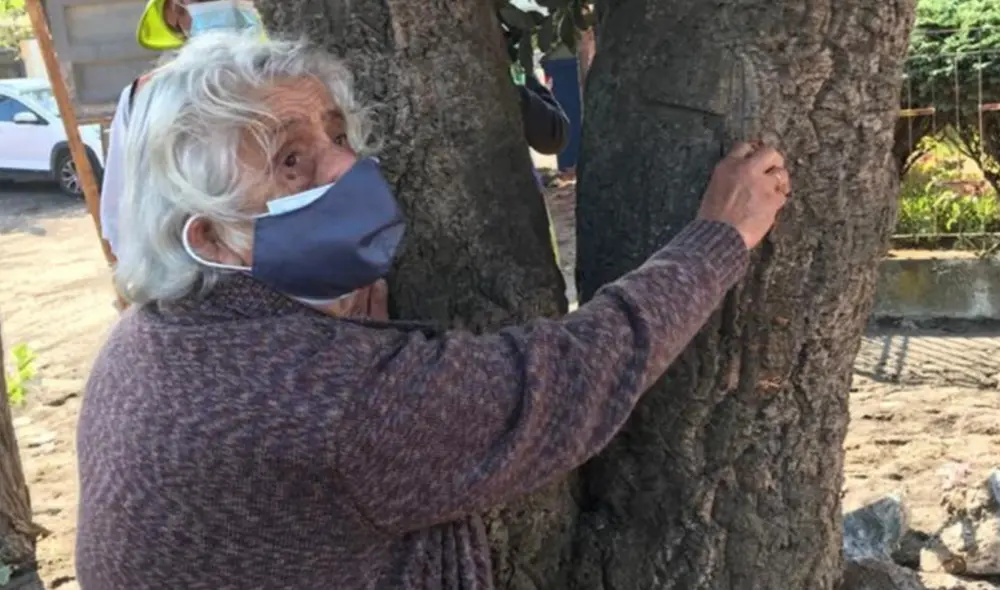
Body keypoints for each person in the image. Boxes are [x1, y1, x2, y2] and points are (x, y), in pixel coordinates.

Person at [76, 32, 790, 589]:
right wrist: (719, 237)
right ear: (213, 240)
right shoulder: (339, 402)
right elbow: (573, 375)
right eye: (289, 160)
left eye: (337, 133)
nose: (345, 166)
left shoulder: (143, 341)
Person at [99, 0, 264, 258]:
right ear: (173, 13)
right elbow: (122, 214)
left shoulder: (288, 84)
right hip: (187, 276)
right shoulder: (143, 97)